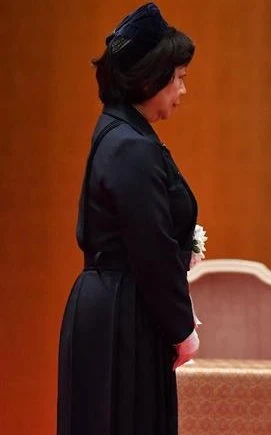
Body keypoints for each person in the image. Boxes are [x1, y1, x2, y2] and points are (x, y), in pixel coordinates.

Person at [57, 3, 201, 434]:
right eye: (179, 79)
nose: (182, 90)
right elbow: (151, 248)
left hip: (114, 309)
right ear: (149, 79)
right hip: (123, 318)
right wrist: (182, 330)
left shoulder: (118, 131)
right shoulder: (130, 145)